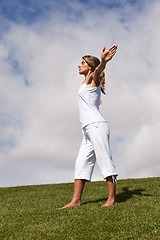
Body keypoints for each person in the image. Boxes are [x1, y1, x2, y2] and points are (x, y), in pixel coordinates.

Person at [60, 45, 118, 209]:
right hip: (88, 129)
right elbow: (89, 102)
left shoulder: (94, 78)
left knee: (105, 161)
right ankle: (76, 200)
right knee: (81, 163)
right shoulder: (87, 85)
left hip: (96, 126)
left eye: (83, 63)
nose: (79, 65)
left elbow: (99, 70)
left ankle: (112, 200)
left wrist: (104, 61)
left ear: (90, 67)